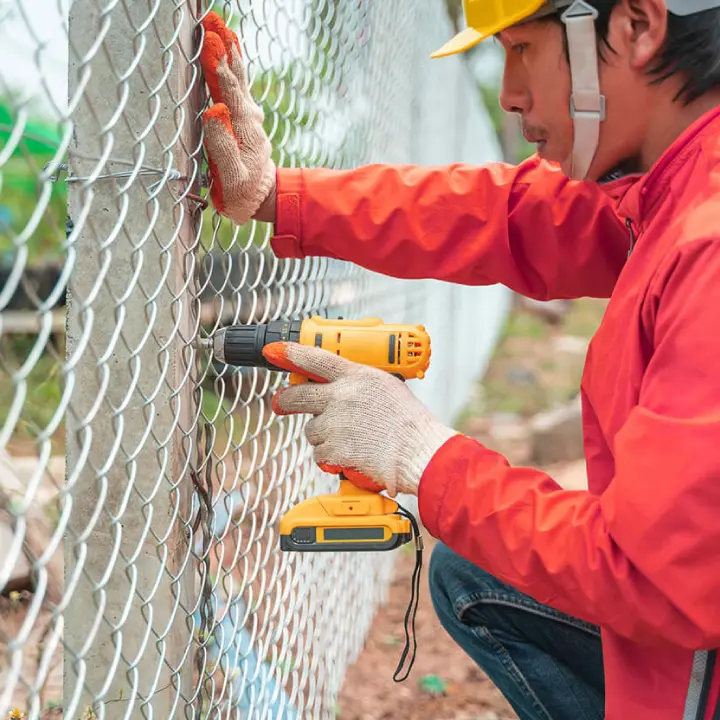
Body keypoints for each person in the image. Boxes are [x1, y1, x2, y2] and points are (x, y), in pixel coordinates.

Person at [198, 1, 720, 718]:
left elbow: (653, 581)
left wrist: (425, 456)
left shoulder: (708, 241)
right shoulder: (679, 185)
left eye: (523, 48)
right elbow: (510, 217)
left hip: (693, 644)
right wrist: (282, 198)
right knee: (474, 572)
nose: (509, 90)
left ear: (636, 26)